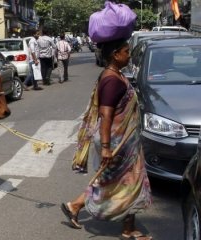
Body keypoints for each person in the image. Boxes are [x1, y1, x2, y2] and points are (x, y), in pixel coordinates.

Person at [60, 38, 152, 240]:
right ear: (115, 54)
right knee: (127, 183)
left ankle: (74, 206)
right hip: (116, 142)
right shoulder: (111, 79)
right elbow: (106, 114)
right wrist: (106, 147)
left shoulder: (116, 75)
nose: (129, 55)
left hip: (124, 142)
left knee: (113, 181)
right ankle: (127, 229)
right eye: (126, 51)